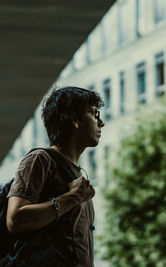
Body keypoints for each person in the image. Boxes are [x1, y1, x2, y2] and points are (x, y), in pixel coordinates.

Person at [6, 86, 105, 267]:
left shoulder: (75, 171)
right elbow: (15, 219)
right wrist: (73, 197)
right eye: (94, 114)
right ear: (74, 119)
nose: (101, 123)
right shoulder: (39, 160)